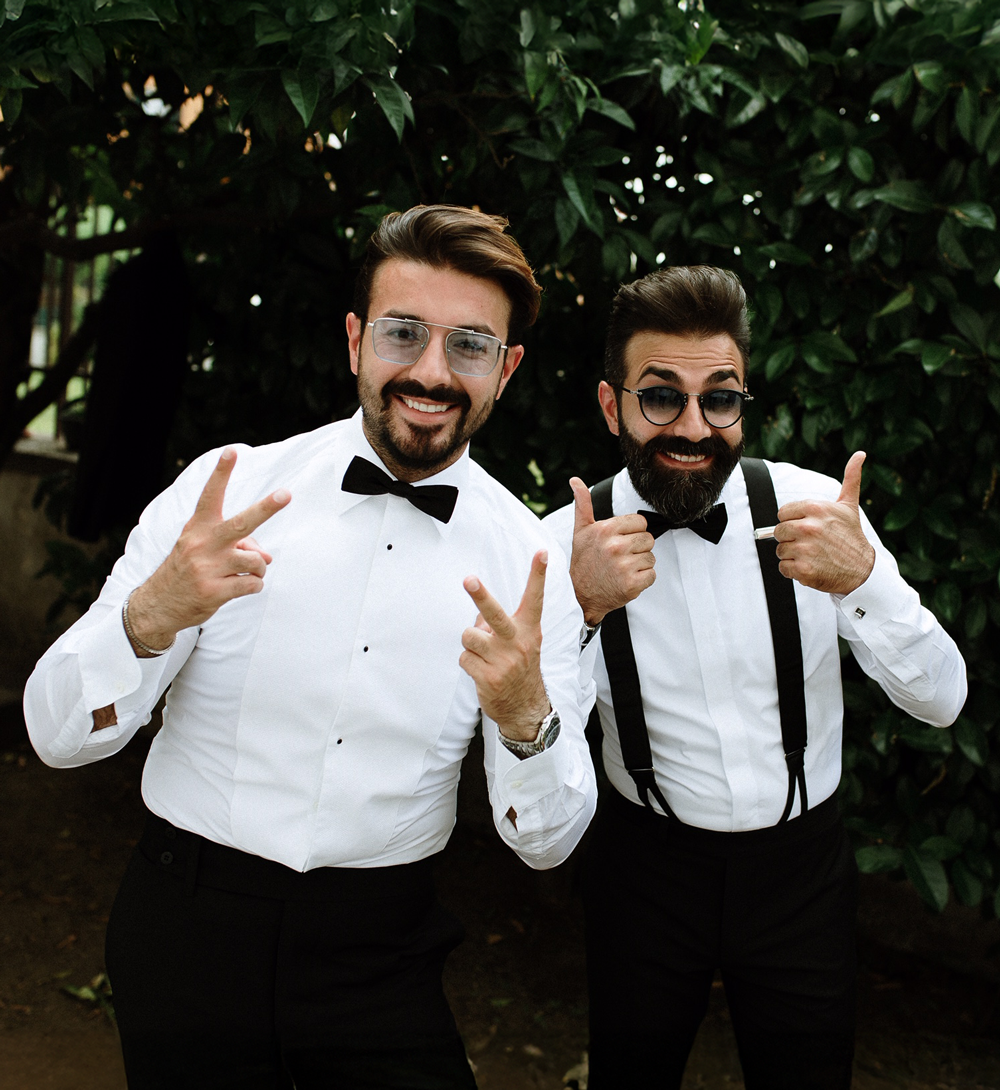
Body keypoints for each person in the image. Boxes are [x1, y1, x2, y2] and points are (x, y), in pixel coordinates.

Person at [24, 205, 597, 1089]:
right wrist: (149, 617)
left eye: (470, 346)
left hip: (382, 950)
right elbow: (56, 737)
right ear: (356, 340)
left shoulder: (531, 565)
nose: (431, 372)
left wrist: (527, 720)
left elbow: (548, 843)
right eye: (403, 333)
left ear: (506, 369)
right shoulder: (226, 495)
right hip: (187, 928)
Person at [543, 265, 967, 1090]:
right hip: (644, 869)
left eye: (720, 399)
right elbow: (533, 759)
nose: (692, 427)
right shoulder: (561, 545)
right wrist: (581, 612)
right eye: (660, 396)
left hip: (801, 874)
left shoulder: (819, 511)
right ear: (611, 406)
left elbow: (944, 701)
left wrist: (864, 581)